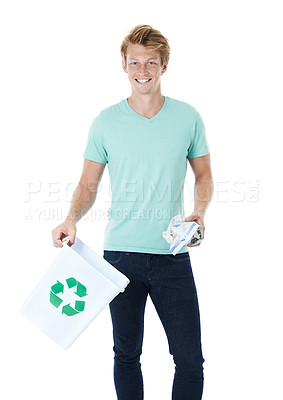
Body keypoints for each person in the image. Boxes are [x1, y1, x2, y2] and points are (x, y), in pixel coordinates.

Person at [52, 24, 213, 400]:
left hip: (172, 255)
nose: (143, 70)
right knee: (126, 355)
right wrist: (71, 218)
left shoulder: (187, 117)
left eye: (151, 62)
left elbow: (203, 175)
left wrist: (199, 211)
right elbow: (87, 184)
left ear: (164, 66)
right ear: (123, 66)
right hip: (120, 258)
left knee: (189, 360)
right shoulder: (105, 122)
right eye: (135, 62)